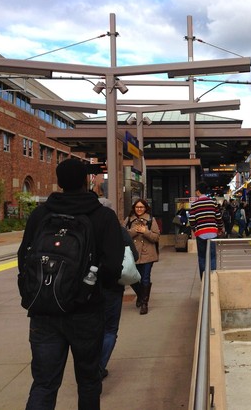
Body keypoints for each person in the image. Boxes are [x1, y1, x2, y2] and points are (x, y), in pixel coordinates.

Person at [17, 158, 124, 409]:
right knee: (88, 382)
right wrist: (94, 288)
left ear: (60, 182)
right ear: (87, 181)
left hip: (44, 311)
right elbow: (112, 268)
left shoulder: (41, 214)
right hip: (86, 312)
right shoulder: (103, 216)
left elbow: (24, 259)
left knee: (43, 384)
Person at [98, 198, 139, 380]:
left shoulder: (86, 228)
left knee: (92, 328)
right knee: (109, 329)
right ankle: (99, 367)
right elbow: (134, 256)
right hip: (113, 286)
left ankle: (90, 365)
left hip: (89, 287)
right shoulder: (119, 231)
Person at [125, 199, 160, 315]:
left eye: (141, 207)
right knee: (132, 278)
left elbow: (156, 237)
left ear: (145, 208)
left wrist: (145, 231)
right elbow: (123, 235)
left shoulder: (151, 219)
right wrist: (134, 231)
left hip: (147, 254)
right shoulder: (129, 219)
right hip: (133, 254)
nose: (139, 209)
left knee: (145, 278)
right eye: (137, 207)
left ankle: (144, 303)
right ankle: (141, 295)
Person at [189, 182, 224, 277]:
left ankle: (204, 279)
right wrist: (220, 228)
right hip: (212, 233)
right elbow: (218, 218)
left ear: (198, 191)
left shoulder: (195, 204)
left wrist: (194, 230)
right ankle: (212, 278)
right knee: (212, 256)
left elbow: (192, 220)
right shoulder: (213, 202)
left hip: (200, 233)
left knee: (202, 257)